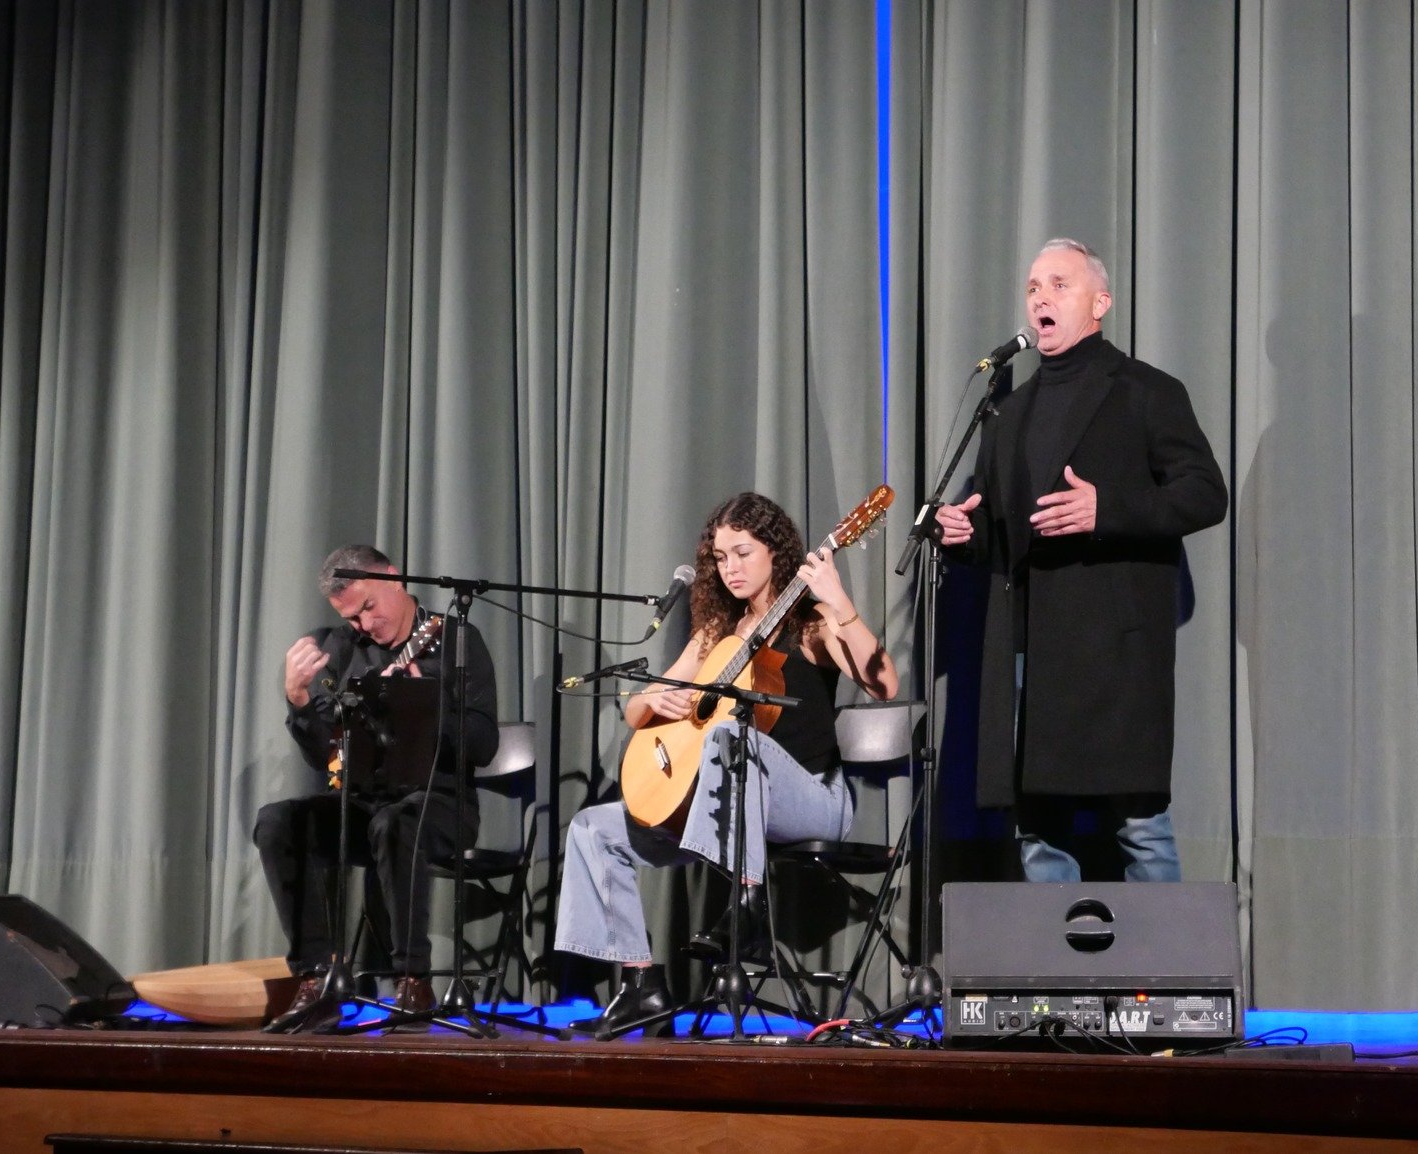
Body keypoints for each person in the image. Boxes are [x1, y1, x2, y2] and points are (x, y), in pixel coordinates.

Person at [554, 493, 899, 1036]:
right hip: (721, 804)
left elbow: (884, 685)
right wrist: (655, 701)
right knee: (593, 829)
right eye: (719, 557)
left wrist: (839, 603)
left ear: (775, 552)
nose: (729, 567)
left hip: (813, 799)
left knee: (726, 737)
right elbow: (636, 710)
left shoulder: (812, 625)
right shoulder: (717, 633)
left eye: (742, 552)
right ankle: (639, 983)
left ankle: (748, 907)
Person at [936, 238, 1226, 883]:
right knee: (1037, 824)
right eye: (1034, 287)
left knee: (1138, 822)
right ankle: (1058, 981)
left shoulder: (1147, 392)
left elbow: (1206, 494)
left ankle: (1165, 978)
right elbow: (999, 530)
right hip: (1029, 651)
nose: (1041, 297)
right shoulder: (1007, 413)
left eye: (1058, 285)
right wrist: (964, 533)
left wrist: (1109, 509)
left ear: (1100, 302)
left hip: (1113, 654)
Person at [256, 545, 498, 1023]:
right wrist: (300, 701)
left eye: (368, 607)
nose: (364, 625)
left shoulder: (456, 642)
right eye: (352, 618)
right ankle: (317, 977)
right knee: (277, 823)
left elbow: (485, 743)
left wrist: (425, 710)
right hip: (360, 804)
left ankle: (413, 980)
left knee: (396, 822)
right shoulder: (342, 649)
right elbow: (328, 755)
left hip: (440, 802)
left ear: (394, 578)